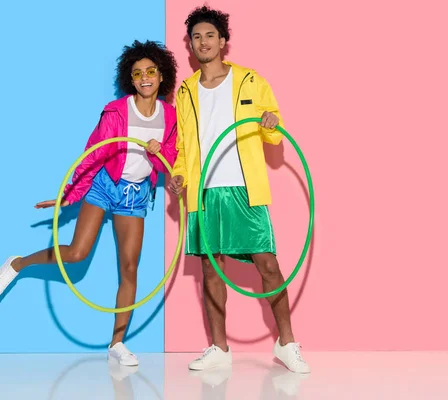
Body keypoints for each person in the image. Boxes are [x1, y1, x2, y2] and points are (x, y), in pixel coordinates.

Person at [0, 40, 178, 367]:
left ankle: (117, 344)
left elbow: (167, 164)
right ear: (130, 79)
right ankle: (18, 263)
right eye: (137, 73)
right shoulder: (116, 111)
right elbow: (94, 153)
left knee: (130, 269)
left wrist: (157, 152)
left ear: (162, 76)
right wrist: (69, 195)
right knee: (77, 253)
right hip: (106, 185)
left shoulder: (170, 116)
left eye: (150, 71)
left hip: (135, 196)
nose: (144, 77)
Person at [168, 5, 310, 374]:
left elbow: (273, 132)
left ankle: (287, 343)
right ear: (191, 45)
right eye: (196, 37)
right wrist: (180, 175)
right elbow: (182, 144)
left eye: (210, 35)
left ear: (223, 41)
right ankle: (219, 348)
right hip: (203, 191)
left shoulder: (250, 80)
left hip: (245, 188)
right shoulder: (185, 92)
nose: (203, 42)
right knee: (211, 270)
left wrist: (271, 122)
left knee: (268, 265)